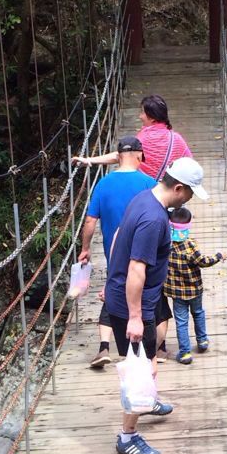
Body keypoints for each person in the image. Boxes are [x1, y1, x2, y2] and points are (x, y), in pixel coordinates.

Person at [104, 157, 209, 454]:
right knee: (141, 368)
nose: (190, 199)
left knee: (145, 361)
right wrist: (135, 317)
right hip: (134, 305)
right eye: (190, 193)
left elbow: (116, 237)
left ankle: (148, 401)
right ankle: (128, 436)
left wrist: (112, 276)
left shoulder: (144, 198)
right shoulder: (155, 219)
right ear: (178, 188)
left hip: (123, 295)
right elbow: (137, 269)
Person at [77, 136, 155, 369]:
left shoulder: (103, 184)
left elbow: (90, 220)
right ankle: (147, 352)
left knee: (116, 292)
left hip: (116, 255)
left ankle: (106, 346)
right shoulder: (149, 183)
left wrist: (85, 248)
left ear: (118, 156)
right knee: (145, 296)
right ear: (140, 155)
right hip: (144, 252)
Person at [75, 94, 193, 181]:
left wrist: (90, 160)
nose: (140, 116)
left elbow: (121, 156)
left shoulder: (144, 138)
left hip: (147, 191)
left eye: (142, 112)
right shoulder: (176, 138)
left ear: (152, 118)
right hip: (171, 191)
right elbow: (189, 162)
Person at [163, 206, 224, 364]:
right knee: (198, 313)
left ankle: (185, 353)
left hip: (176, 292)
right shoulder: (190, 245)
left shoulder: (165, 244)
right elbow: (203, 262)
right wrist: (218, 256)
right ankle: (202, 341)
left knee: (181, 321)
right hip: (195, 289)